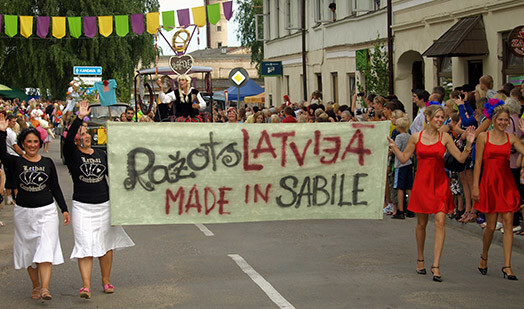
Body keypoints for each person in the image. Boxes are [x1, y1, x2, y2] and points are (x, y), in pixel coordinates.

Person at [388, 105, 475, 282]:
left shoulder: (445, 137)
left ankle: (436, 265)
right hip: (422, 184)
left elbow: (460, 158)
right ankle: (420, 259)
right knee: (421, 224)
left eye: (442, 117)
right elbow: (404, 158)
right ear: (428, 117)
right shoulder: (416, 137)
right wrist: (394, 147)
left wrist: (469, 143)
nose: (440, 120)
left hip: (440, 184)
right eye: (437, 117)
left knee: (440, 222)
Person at [64, 101, 135, 299]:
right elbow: (69, 139)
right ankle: (85, 286)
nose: (86, 136)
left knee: (106, 244)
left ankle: (106, 281)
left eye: (87, 134)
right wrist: (79, 119)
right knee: (84, 244)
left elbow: (116, 176)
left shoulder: (102, 154)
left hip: (104, 205)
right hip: (82, 207)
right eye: (82, 134)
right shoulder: (72, 156)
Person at [0, 115, 70, 301]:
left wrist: (63, 208)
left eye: (35, 142)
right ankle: (36, 285)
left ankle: (45, 288)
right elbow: (1, 153)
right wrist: (1, 132)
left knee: (46, 249)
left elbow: (55, 186)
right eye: (28, 142)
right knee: (30, 251)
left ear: (40, 143)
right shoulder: (17, 162)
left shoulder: (47, 163)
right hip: (23, 213)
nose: (32, 145)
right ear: (23, 143)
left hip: (46, 211)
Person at [472, 103, 524, 281]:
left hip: (506, 183)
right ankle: (484, 256)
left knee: (508, 223)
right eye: (500, 119)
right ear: (494, 120)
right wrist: (475, 186)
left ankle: (507, 265)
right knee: (491, 227)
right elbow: (478, 163)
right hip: (489, 183)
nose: (503, 122)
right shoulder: (483, 137)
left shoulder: (512, 138)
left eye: (506, 120)